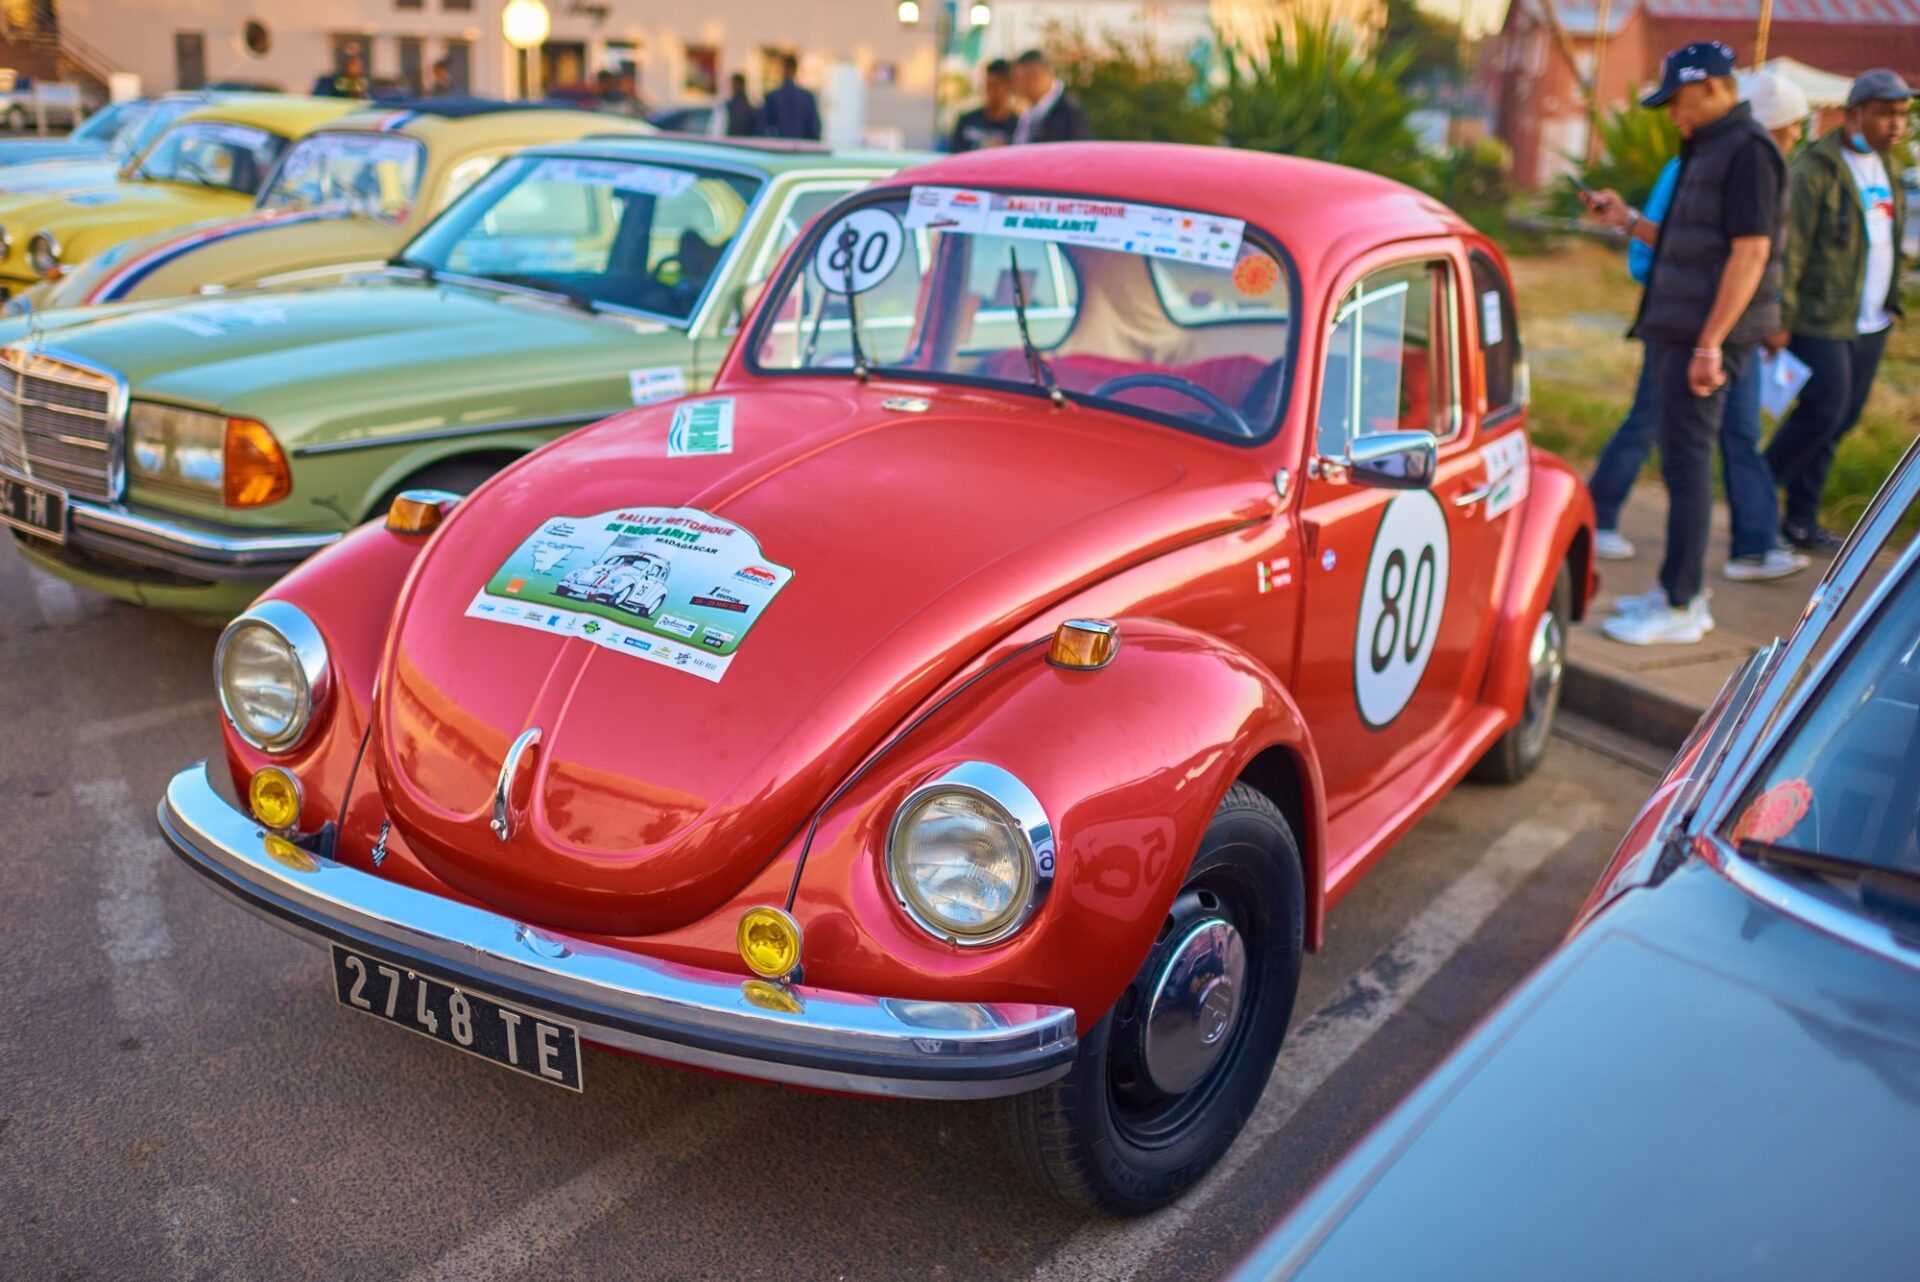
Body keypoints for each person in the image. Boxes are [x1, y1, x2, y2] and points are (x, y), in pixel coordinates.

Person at [1585, 41, 1788, 646]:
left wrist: (1709, 344)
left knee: (1688, 467)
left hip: (1703, 339)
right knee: (1680, 465)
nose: (1671, 114)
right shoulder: (1707, 145)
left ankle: (1682, 604)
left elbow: (1751, 254)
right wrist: (1625, 219)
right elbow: (1681, 240)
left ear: (1709, 87)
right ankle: (1677, 589)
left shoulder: (1749, 152)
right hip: (1679, 331)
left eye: (1675, 100)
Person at [1764, 69, 1912, 554]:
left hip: (1870, 319)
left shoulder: (1889, 168)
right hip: (1822, 318)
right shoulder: (1816, 168)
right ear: (1853, 115)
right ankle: (1757, 496)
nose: (1896, 126)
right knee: (1822, 411)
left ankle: (1800, 521)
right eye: (1885, 114)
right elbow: (1792, 249)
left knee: (1840, 419)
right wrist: (1779, 318)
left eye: (1902, 116)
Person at [1011, 49, 1091, 144]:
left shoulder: (1069, 113)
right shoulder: (1029, 114)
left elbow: (1077, 153)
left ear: (1034, 75)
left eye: (1020, 79)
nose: (1017, 86)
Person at [950, 58, 1018, 152]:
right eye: (987, 86)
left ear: (1009, 87)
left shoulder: (1018, 127)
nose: (990, 92)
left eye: (996, 86)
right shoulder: (967, 121)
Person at [760, 54, 821, 141]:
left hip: (778, 148)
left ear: (782, 70)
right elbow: (815, 129)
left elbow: (764, 128)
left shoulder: (772, 97)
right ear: (796, 70)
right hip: (801, 148)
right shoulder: (807, 97)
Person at [723, 73, 759, 137]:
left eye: (733, 84)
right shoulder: (750, 103)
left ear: (739, 85)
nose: (732, 87)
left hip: (737, 141)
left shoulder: (731, 105)